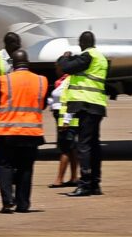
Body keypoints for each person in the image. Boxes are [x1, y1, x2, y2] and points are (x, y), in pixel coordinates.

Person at [0, 49, 48, 214]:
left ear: (13, 64)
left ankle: (7, 201)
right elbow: (42, 104)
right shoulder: (41, 80)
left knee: (4, 166)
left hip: (7, 131)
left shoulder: (4, 80)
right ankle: (23, 203)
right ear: (28, 63)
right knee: (26, 168)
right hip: (31, 132)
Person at [58, 31, 107, 197]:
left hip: (86, 105)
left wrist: (64, 57)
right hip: (97, 105)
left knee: (84, 145)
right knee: (94, 145)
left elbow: (66, 67)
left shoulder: (88, 56)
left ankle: (85, 184)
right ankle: (94, 183)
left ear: (82, 43)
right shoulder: (100, 58)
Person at [47, 60, 79, 189]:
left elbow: (70, 101)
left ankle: (59, 179)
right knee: (70, 148)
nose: (56, 70)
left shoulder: (69, 81)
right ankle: (74, 177)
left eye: (57, 67)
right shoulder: (63, 81)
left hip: (66, 119)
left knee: (64, 148)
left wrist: (66, 120)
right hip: (63, 118)